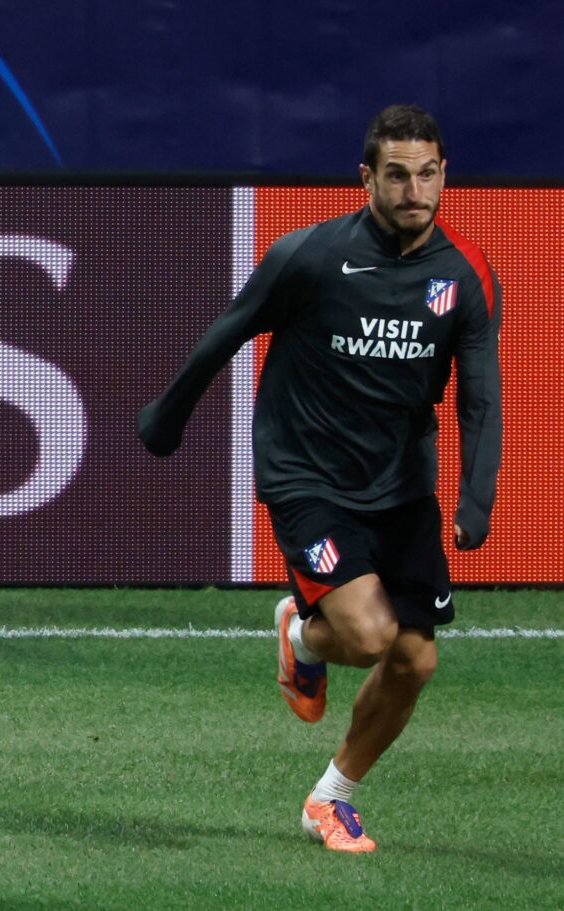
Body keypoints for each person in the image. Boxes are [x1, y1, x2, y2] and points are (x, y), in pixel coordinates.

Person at [138, 105, 502, 853]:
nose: (413, 191)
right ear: (366, 177)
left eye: (427, 174)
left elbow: (479, 396)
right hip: (306, 472)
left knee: (416, 658)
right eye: (396, 175)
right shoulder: (311, 255)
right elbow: (229, 330)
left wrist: (476, 497)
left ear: (444, 175)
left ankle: (328, 798)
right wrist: (166, 418)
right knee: (367, 636)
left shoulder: (466, 276)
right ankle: (306, 634)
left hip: (400, 483)